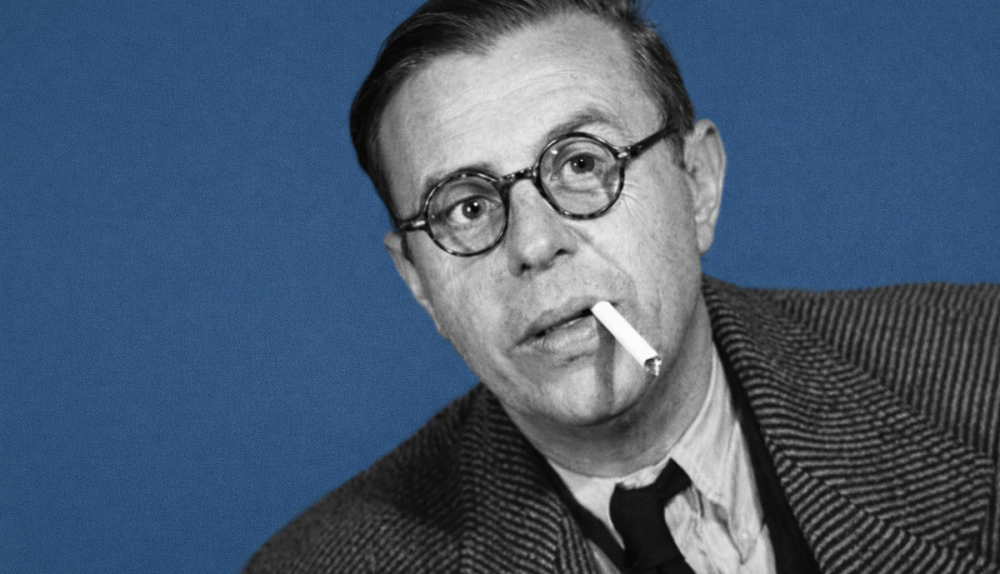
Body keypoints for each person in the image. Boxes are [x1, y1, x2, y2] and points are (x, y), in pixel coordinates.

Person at [243, 1, 1000, 572]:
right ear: (419, 281)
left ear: (696, 183)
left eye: (581, 163)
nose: (534, 244)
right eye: (466, 208)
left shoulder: (982, 367)